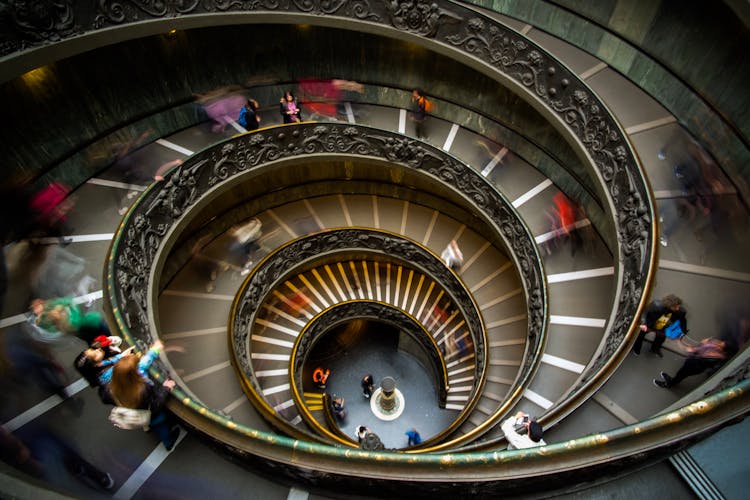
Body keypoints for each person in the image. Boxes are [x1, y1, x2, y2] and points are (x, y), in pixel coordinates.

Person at [105, 340, 180, 450]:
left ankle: (147, 427)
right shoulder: (142, 389)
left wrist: (154, 350)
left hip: (135, 411)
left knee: (148, 423)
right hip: (154, 416)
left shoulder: (114, 386)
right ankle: (168, 442)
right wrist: (166, 388)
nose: (139, 365)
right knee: (162, 427)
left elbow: (143, 364)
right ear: (134, 374)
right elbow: (156, 404)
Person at [30, 296, 110, 344]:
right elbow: (53, 329)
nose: (37, 310)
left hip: (92, 323)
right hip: (81, 331)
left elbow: (68, 302)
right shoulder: (42, 321)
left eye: (37, 306)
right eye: (35, 309)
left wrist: (60, 309)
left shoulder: (52, 304)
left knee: (107, 333)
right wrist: (54, 319)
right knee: (97, 341)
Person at [654, 338, 728, 388]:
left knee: (681, 374)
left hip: (694, 366)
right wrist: (703, 344)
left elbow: (698, 353)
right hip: (692, 363)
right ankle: (673, 380)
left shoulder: (717, 356)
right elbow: (698, 349)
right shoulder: (715, 348)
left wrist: (700, 346)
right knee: (681, 373)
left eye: (720, 343)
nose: (717, 342)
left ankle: (669, 384)